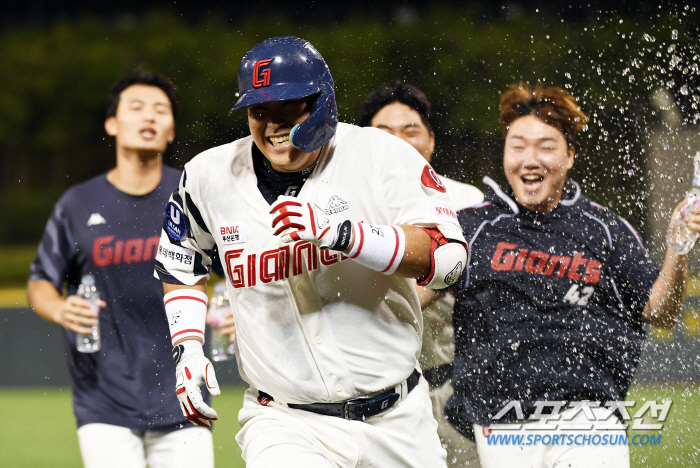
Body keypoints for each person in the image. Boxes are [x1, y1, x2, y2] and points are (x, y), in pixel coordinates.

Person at [154, 36, 469, 468]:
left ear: (324, 103)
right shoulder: (209, 176)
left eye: (289, 106)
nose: (273, 124)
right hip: (284, 422)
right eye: (259, 111)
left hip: (398, 420)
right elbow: (182, 260)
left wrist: (347, 235)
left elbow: (449, 260)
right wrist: (188, 349)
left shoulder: (379, 154)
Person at [446, 83, 695, 467]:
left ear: (570, 156)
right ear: (504, 155)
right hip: (500, 421)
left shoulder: (605, 229)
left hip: (588, 419)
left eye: (546, 146)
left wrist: (677, 250)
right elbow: (412, 296)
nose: (530, 159)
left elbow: (660, 312)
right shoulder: (471, 227)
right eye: (518, 146)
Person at [27, 70, 214, 468]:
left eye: (160, 110)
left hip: (184, 391)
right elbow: (40, 282)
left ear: (171, 131)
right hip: (103, 399)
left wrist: (230, 303)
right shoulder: (77, 203)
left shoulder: (193, 195)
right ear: (111, 124)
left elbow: (234, 270)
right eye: (136, 107)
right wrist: (60, 309)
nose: (149, 116)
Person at [358, 81, 483, 467]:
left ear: (430, 140)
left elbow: (450, 277)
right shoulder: (343, 207)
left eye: (410, 130)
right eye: (384, 133)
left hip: (452, 384)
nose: (398, 142)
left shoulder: (468, 202)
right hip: (369, 388)